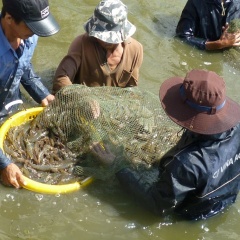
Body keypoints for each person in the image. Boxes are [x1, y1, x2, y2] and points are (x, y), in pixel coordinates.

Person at [91, 69, 240, 220]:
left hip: (192, 215)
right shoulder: (237, 127)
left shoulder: (186, 164)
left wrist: (117, 165)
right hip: (226, 199)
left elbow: (156, 205)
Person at [0, 0, 60, 188]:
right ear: (9, 18)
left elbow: (23, 66)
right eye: (32, 27)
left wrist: (43, 95)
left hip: (9, 102)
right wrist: (4, 164)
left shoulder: (29, 35)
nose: (36, 32)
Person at [52, 0, 143, 94]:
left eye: (110, 38)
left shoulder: (136, 50)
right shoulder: (81, 44)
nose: (105, 41)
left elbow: (131, 87)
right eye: (102, 36)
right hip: (82, 98)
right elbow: (61, 79)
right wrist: (82, 100)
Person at [176, 0, 240, 50]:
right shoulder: (195, 2)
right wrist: (217, 44)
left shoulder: (237, 3)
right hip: (203, 56)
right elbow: (182, 37)